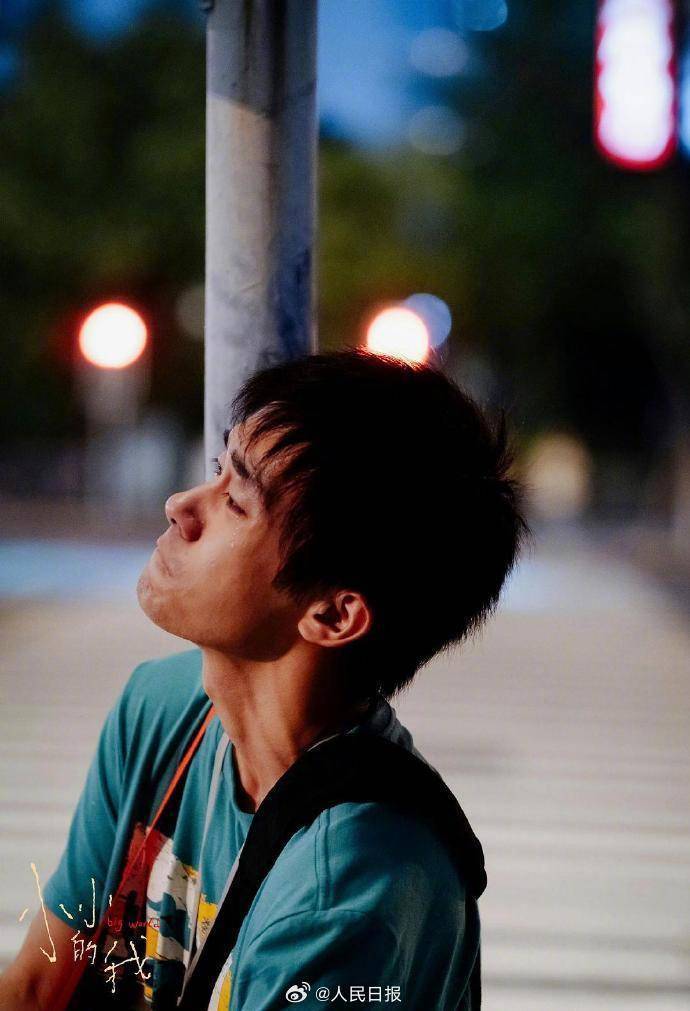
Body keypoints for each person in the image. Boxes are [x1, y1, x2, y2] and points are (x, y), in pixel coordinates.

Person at [0, 349, 525, 1010]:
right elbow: (41, 984)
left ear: (333, 614)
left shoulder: (346, 890)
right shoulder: (163, 709)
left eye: (236, 502)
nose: (181, 506)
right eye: (216, 471)